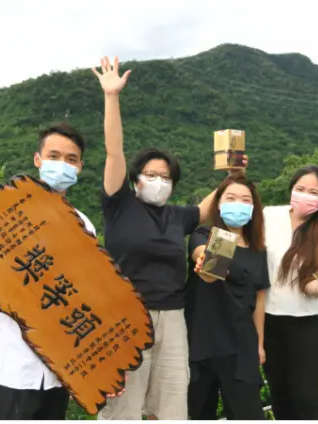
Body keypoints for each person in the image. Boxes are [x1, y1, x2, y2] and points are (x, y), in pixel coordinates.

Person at [91, 56, 236, 420]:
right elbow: (113, 150)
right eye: (150, 174)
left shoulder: (177, 216)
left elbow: (208, 208)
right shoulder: (119, 205)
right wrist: (111, 96)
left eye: (166, 176)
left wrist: (232, 177)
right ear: (135, 179)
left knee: (171, 408)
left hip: (172, 318)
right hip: (125, 317)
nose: (158, 181)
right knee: (123, 409)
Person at [0, 123, 104, 420]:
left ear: (80, 167)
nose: (62, 165)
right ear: (38, 159)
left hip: (60, 371)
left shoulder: (84, 224)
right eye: (53, 156)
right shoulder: (9, 215)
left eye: (71, 159)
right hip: (14, 368)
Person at [262, 165, 318, 420]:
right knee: (279, 395)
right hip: (267, 320)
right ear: (291, 190)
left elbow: (313, 284)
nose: (305, 195)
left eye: (313, 192)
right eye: (300, 189)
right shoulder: (268, 216)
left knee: (305, 398)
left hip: (306, 324)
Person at [186, 176, 268, 420]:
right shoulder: (204, 234)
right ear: (218, 204)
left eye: (245, 200)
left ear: (254, 208)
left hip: (241, 345)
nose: (238, 204)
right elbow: (207, 266)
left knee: (248, 414)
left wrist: (259, 344)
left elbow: (259, 298)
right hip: (202, 343)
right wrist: (207, 260)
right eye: (230, 198)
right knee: (199, 414)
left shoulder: (258, 249)